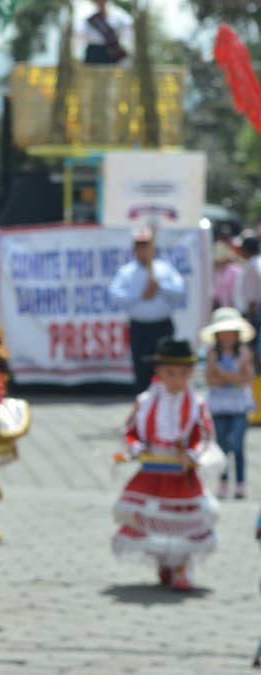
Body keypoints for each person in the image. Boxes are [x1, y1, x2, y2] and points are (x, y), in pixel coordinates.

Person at [113, 337, 217, 591]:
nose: (177, 379)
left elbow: (203, 434)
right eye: (171, 373)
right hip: (152, 471)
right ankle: (164, 561)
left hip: (181, 472)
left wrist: (191, 455)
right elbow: (129, 431)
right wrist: (137, 448)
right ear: (159, 372)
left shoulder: (196, 404)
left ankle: (181, 566)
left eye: (183, 374)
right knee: (152, 517)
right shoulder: (146, 401)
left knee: (182, 520)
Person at [109, 226, 186, 393]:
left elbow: (180, 292)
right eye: (140, 246)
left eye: (146, 246)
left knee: (165, 367)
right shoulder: (127, 271)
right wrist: (140, 295)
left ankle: (166, 401)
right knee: (142, 369)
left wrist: (160, 287)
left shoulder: (164, 269)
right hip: (140, 328)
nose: (143, 250)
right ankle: (144, 402)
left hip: (162, 327)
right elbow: (115, 294)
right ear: (135, 249)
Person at [200, 307, 255, 499]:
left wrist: (222, 375)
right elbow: (211, 380)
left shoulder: (244, 353)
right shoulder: (211, 354)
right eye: (223, 332)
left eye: (230, 331)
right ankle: (223, 481)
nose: (227, 336)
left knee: (238, 445)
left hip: (239, 405)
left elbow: (246, 378)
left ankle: (240, 482)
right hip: (219, 405)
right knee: (222, 444)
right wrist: (233, 378)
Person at [77, 0, 132, 65]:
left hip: (111, 51)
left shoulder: (119, 14)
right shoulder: (86, 11)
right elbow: (78, 36)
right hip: (93, 52)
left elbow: (129, 29)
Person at [212, 240, 243, 311]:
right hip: (220, 307)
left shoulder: (235, 270)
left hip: (235, 306)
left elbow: (237, 289)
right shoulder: (216, 271)